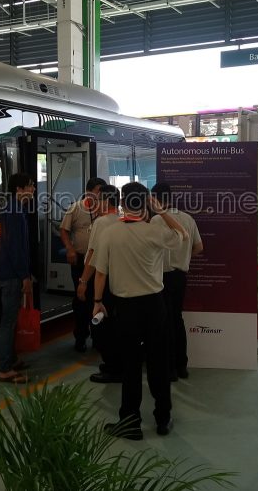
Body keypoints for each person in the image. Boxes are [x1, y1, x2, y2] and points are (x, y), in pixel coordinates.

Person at [91, 182, 186, 440]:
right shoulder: (154, 232)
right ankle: (163, 418)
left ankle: (130, 422)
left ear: (122, 203)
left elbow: (100, 273)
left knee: (131, 364)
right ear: (145, 203)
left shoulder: (109, 233)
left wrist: (98, 301)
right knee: (158, 362)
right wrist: (161, 212)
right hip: (155, 306)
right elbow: (182, 236)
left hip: (126, 308)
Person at [150, 183, 203, 380]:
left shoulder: (155, 221)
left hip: (160, 277)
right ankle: (182, 366)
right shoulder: (188, 219)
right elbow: (199, 247)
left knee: (164, 322)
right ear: (170, 198)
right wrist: (184, 257)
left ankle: (169, 368)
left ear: (155, 199)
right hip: (180, 276)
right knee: (177, 319)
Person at [77, 185, 123, 383]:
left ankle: (112, 367)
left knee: (102, 325)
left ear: (106, 201)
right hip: (121, 281)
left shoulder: (102, 223)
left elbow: (93, 255)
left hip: (104, 282)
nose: (95, 203)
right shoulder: (122, 219)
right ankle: (116, 365)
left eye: (98, 199)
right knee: (116, 324)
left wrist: (83, 281)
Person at [0, 172, 36, 384]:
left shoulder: (14, 208)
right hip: (11, 275)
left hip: (11, 272)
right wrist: (25, 276)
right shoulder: (14, 211)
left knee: (10, 320)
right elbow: (15, 249)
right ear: (18, 189)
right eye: (29, 186)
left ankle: (11, 359)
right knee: (8, 322)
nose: (33, 189)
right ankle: (4, 369)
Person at [60, 176, 107, 352]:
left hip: (100, 261)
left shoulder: (104, 209)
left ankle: (98, 337)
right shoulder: (76, 208)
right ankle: (80, 337)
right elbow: (64, 230)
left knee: (99, 298)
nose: (100, 195)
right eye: (98, 192)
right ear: (89, 192)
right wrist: (69, 249)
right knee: (81, 300)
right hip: (81, 260)